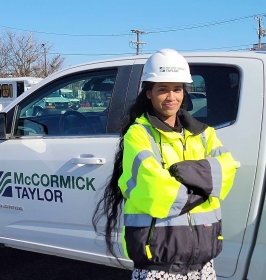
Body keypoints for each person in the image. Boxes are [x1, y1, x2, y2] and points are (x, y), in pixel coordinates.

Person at [92, 48, 238, 280]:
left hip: (203, 261)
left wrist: (180, 174)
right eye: (163, 89)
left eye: (177, 89)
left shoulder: (204, 134)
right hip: (159, 261)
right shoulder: (138, 135)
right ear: (148, 93)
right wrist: (204, 187)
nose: (172, 97)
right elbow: (157, 192)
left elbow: (227, 172)